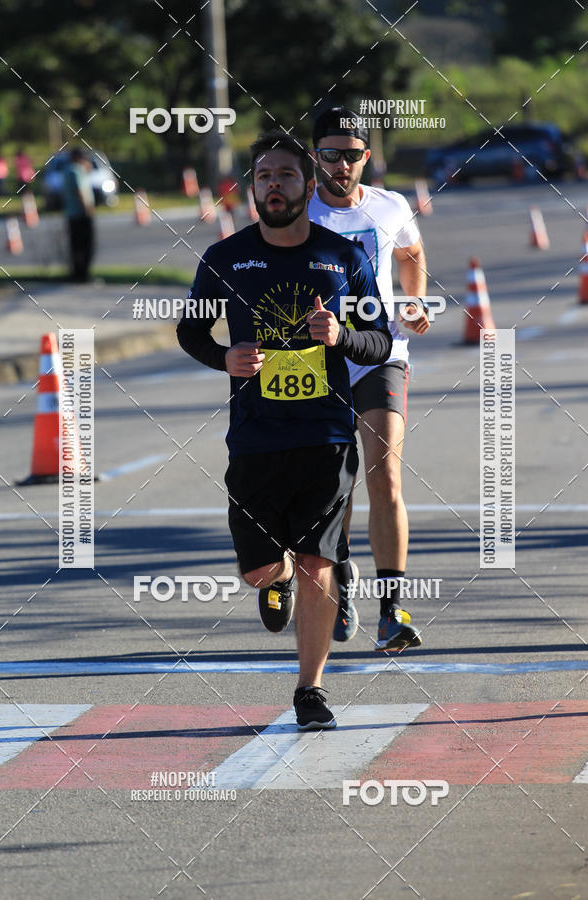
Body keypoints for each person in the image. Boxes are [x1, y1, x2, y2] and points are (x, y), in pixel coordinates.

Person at [177, 130, 392, 729]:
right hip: (255, 437)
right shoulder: (225, 259)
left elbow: (378, 342)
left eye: (287, 175)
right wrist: (223, 357)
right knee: (261, 567)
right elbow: (190, 331)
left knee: (316, 561)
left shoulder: (344, 259)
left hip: (326, 433)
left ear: (308, 184)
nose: (276, 185)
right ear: (253, 188)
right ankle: (273, 583)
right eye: (265, 176)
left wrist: (340, 337)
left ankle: (310, 690)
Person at [309, 106, 430, 651]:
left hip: (382, 352)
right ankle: (340, 581)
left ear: (366, 157)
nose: (341, 165)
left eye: (351, 155)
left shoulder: (390, 205)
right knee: (334, 488)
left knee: (385, 478)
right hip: (318, 358)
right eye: (330, 154)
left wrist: (413, 300)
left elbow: (411, 252)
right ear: (315, 155)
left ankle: (392, 610)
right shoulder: (298, 212)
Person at [62, 148, 95, 282]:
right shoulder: (77, 170)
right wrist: (88, 209)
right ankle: (84, 274)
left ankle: (76, 273)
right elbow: (80, 191)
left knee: (75, 246)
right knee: (85, 246)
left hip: (71, 214)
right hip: (81, 214)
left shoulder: (67, 170)